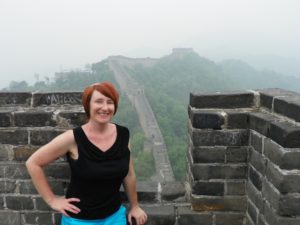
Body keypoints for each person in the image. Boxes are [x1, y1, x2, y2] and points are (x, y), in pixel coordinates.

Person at [26, 82, 148, 225]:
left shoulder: (123, 134)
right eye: (99, 101)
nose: (105, 107)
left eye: (110, 102)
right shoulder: (73, 138)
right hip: (79, 219)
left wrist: (135, 206)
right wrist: (52, 200)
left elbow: (129, 174)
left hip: (114, 217)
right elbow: (33, 163)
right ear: (88, 106)